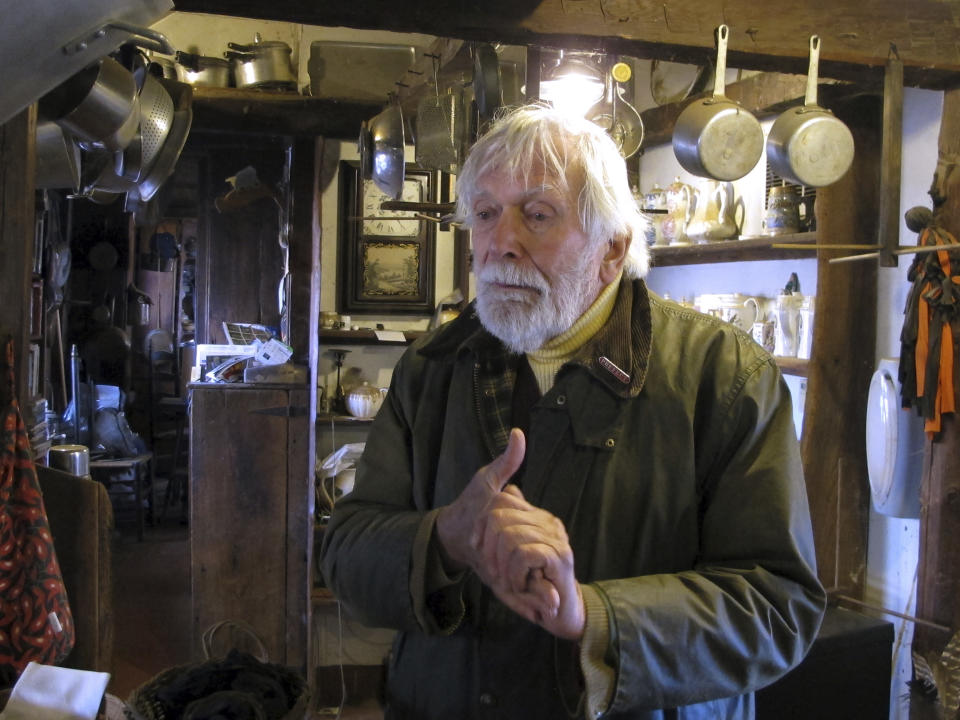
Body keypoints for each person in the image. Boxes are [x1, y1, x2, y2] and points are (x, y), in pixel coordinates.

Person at [320, 103, 826, 720]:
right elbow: (344, 552)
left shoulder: (723, 379)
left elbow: (777, 607)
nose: (500, 243)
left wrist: (596, 619)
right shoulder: (431, 369)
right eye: (485, 214)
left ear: (612, 250)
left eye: (538, 214)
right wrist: (446, 538)